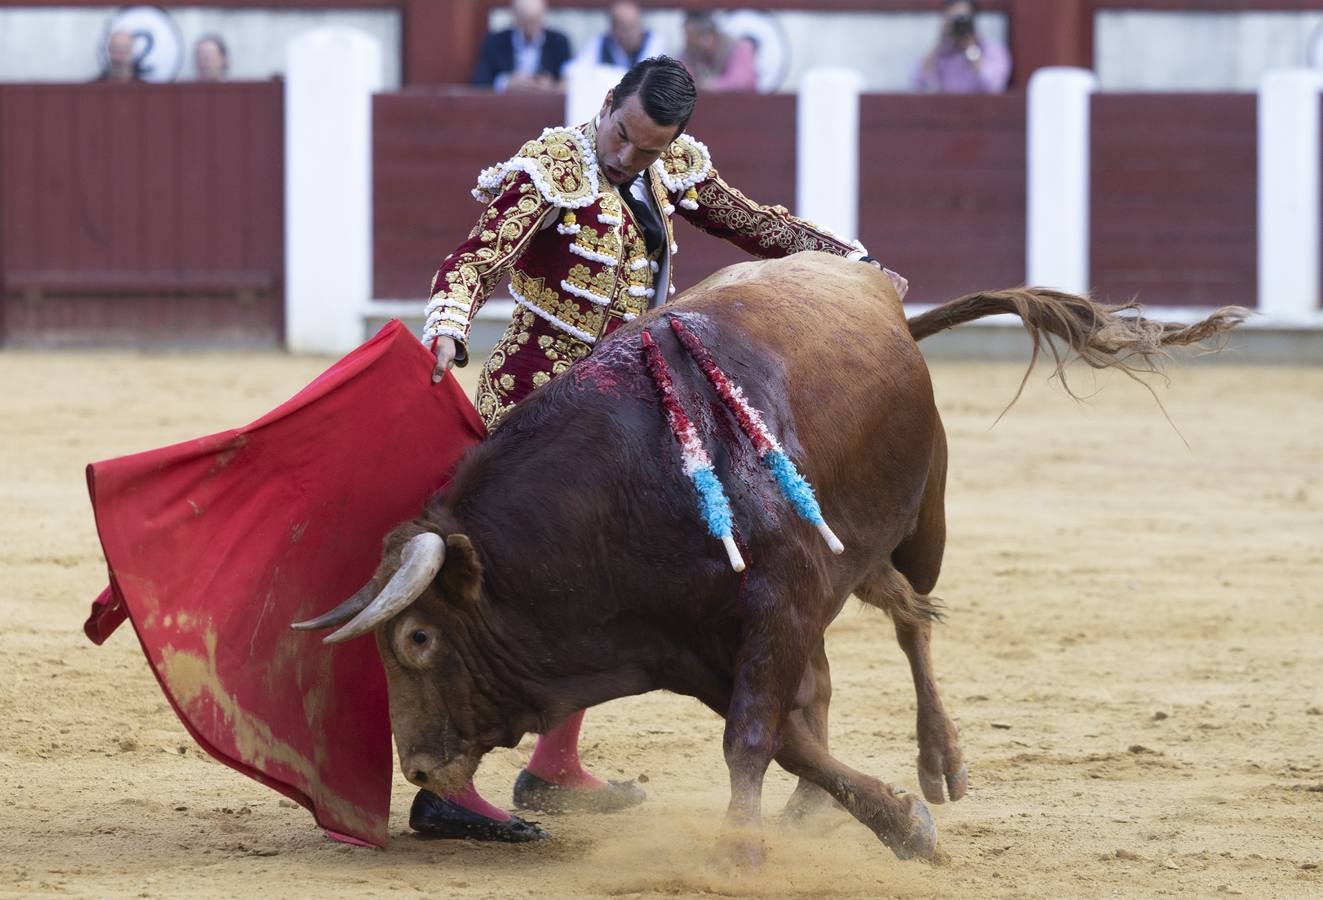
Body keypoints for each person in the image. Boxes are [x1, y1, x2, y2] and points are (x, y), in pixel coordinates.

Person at [414, 56, 905, 841]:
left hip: (631, 420)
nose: (629, 157)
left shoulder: (671, 164)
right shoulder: (548, 172)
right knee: (520, 590)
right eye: (622, 137)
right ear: (607, 105)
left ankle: (553, 766)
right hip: (537, 415)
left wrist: (849, 266)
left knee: (598, 585)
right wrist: (446, 325)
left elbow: (757, 226)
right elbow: (474, 258)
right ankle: (451, 781)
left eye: (648, 149)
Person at [911, 0, 1011, 94]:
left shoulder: (992, 50)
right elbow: (918, 85)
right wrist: (939, 44)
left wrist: (971, 49)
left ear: (973, 22)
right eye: (952, 20)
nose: (958, 26)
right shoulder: (939, 54)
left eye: (962, 20)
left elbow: (993, 87)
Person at [471, 0, 572, 92]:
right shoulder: (496, 41)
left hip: (547, 108)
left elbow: (571, 80)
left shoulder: (558, 42)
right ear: (514, 17)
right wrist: (506, 82)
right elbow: (479, 82)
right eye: (525, 22)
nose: (529, 28)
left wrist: (552, 86)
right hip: (505, 107)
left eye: (534, 21)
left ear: (542, 16)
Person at [572, 0, 664, 70]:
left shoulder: (654, 41)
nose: (631, 33)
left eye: (634, 26)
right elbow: (575, 71)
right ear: (613, 28)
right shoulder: (599, 42)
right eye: (625, 28)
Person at [679, 11, 758, 92]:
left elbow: (741, 82)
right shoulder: (690, 53)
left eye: (692, 37)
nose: (688, 42)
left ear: (707, 36)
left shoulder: (740, 48)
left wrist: (712, 86)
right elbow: (680, 79)